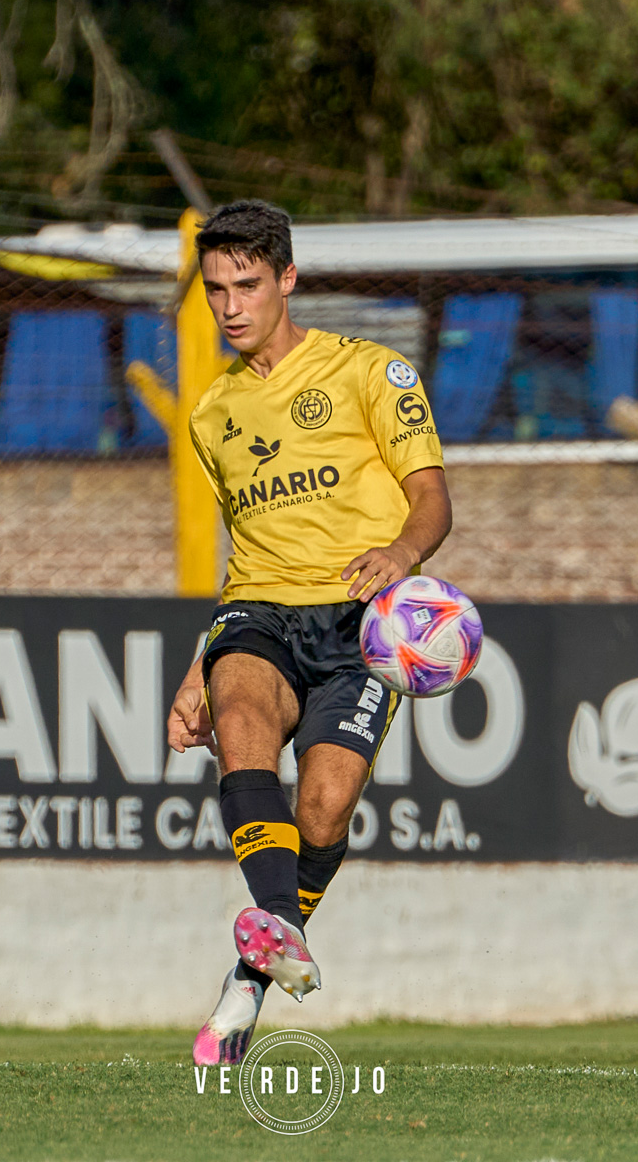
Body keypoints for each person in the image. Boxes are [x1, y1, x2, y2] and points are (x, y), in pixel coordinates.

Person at [165, 199, 452, 1065]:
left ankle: (250, 978)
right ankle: (276, 940)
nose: (229, 306)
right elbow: (241, 552)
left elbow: (433, 499)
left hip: (358, 624)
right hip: (257, 612)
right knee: (243, 731)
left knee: (323, 810)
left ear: (287, 279)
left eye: (246, 285)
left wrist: (402, 551)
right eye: (214, 290)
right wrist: (194, 673)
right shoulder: (212, 413)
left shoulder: (371, 373)